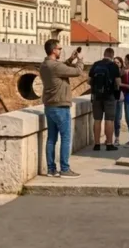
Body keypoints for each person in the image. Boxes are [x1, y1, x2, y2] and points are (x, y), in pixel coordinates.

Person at [39, 39, 84, 178]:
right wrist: (80, 60)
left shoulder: (45, 65)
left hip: (49, 107)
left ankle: (51, 169)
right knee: (65, 137)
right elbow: (77, 72)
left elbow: (61, 67)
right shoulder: (56, 67)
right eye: (59, 49)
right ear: (53, 50)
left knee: (51, 139)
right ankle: (64, 169)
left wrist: (71, 58)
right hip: (61, 107)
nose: (60, 51)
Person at [88, 47, 121, 151]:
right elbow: (118, 83)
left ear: (104, 54)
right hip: (110, 96)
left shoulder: (96, 64)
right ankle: (109, 144)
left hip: (97, 96)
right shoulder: (114, 66)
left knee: (97, 120)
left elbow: (89, 81)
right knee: (109, 120)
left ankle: (97, 144)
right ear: (112, 55)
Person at [113, 57, 126, 146]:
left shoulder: (123, 73)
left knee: (117, 118)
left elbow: (122, 84)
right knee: (111, 118)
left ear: (121, 63)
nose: (116, 64)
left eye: (118, 62)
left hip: (120, 97)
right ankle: (109, 137)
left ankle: (117, 137)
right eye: (114, 62)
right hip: (112, 97)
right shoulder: (110, 72)